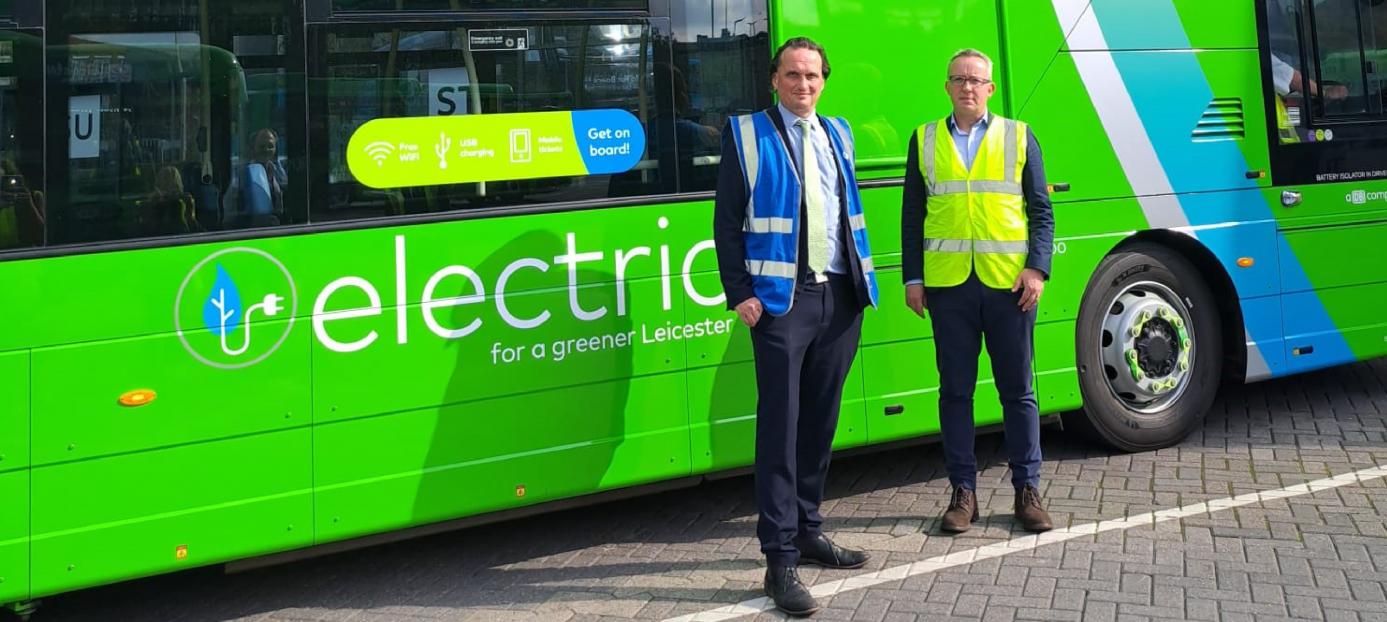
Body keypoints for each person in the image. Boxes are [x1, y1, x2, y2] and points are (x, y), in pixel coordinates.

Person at [713, 36, 880, 617]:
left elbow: (846, 210)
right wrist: (741, 293)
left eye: (812, 76)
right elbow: (726, 221)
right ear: (775, 80)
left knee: (819, 424)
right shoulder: (747, 134)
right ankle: (778, 558)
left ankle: (809, 530)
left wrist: (858, 289)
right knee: (780, 432)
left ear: (824, 80)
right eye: (792, 75)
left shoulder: (840, 132)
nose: (802, 85)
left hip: (840, 295)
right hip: (782, 304)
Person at [900, 49, 1055, 535]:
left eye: (977, 80)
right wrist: (913, 278)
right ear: (947, 86)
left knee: (1019, 392)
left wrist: (1037, 270)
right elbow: (912, 216)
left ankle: (1027, 490)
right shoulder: (924, 139)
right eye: (959, 79)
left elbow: (1041, 211)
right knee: (955, 393)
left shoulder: (1019, 135)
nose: (968, 87)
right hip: (948, 288)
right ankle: (962, 493)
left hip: (1010, 286)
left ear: (991, 88)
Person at [223, 128, 286, 228]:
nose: (266, 150)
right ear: (253, 148)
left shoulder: (279, 172)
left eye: (270, 146)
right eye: (262, 146)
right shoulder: (241, 174)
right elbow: (229, 210)